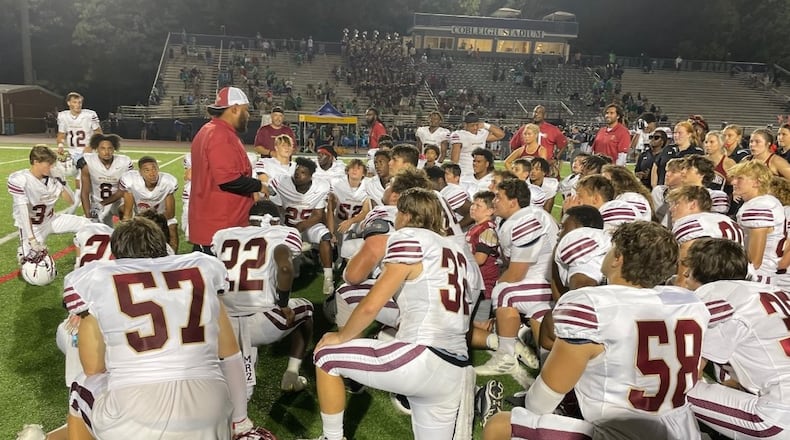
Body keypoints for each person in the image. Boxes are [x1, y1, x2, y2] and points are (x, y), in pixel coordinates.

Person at [484, 222, 709, 440]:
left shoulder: (594, 305)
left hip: (623, 432)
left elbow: (541, 401)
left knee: (501, 425)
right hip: (682, 429)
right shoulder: (689, 302)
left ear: (618, 258)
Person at [62, 217, 254, 439]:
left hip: (138, 414)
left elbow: (93, 368)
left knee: (81, 387)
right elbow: (231, 355)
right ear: (163, 249)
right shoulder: (203, 269)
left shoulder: (96, 278)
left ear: (114, 256)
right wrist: (240, 420)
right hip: (210, 409)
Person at [310, 188, 475, 440]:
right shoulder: (457, 251)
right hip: (456, 368)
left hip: (421, 355)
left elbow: (371, 304)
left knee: (326, 356)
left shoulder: (408, 236)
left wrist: (341, 337)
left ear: (406, 214)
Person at [683, 238, 790, 439]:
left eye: (688, 267)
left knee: (669, 387)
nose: (685, 274)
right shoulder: (776, 291)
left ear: (701, 271)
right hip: (779, 397)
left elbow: (690, 374)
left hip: (778, 416)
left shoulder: (715, 293)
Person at [212, 201, 314, 395]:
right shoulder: (282, 233)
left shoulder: (223, 235)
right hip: (261, 320)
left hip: (222, 323)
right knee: (307, 309)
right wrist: (283, 304)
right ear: (275, 221)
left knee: (236, 384)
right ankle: (291, 374)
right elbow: (285, 268)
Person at [475, 178, 555, 379]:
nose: (495, 201)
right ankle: (520, 335)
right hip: (538, 283)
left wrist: (492, 301)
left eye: (499, 197)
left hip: (544, 283)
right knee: (547, 361)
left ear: (514, 202)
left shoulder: (525, 219)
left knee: (504, 292)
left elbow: (517, 272)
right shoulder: (513, 219)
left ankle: (505, 357)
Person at [189, 86, 263, 254]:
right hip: (220, 227)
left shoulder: (211, 130)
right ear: (235, 109)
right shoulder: (220, 134)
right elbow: (228, 180)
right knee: (221, 279)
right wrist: (259, 186)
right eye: (246, 110)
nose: (248, 115)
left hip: (214, 223)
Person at [8, 145, 91, 267]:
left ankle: (81, 261)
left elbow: (72, 201)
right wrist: (32, 240)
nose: (51, 167)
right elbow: (23, 212)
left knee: (88, 225)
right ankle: (23, 251)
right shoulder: (20, 180)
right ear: (36, 162)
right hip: (32, 227)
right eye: (48, 164)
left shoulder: (53, 177)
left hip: (51, 219)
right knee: (36, 271)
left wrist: (62, 182)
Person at [269, 157, 334, 295]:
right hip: (285, 225)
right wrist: (286, 230)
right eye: (297, 170)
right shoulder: (282, 182)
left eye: (303, 172)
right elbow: (276, 209)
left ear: (311, 176)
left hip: (307, 225)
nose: (298, 174)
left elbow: (317, 215)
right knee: (293, 272)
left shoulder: (321, 186)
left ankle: (328, 277)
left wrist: (300, 227)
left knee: (325, 236)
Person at [667, 185, 744, 288]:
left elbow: (684, 280)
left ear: (693, 204)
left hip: (710, 286)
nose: (671, 209)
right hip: (740, 281)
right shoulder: (727, 220)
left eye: (676, 203)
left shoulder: (691, 224)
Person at [729, 160, 785, 285]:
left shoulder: (758, 206)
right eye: (734, 178)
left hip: (758, 277)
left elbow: (755, 261)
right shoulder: (767, 201)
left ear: (757, 182)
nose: (733, 182)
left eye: (740, 178)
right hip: (766, 274)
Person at [120, 156, 179, 251]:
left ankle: (172, 259)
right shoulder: (131, 181)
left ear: (158, 169)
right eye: (147, 170)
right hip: (140, 217)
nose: (152, 173)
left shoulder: (168, 182)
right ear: (140, 172)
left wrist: (155, 221)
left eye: (154, 169)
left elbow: (170, 214)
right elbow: (128, 212)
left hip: (162, 217)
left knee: (172, 226)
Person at [80, 133, 133, 226]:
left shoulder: (124, 162)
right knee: (100, 233)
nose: (106, 152)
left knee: (127, 209)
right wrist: (88, 216)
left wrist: (102, 203)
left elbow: (123, 191)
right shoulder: (88, 162)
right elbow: (84, 192)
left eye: (110, 148)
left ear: (114, 149)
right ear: (97, 149)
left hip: (117, 201)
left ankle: (127, 230)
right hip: (97, 204)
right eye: (103, 148)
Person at [56, 92, 102, 189]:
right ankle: (80, 198)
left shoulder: (89, 115)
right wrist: (60, 145)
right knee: (76, 176)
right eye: (75, 102)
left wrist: (91, 146)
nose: (78, 105)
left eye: (80, 102)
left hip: (87, 151)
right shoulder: (63, 116)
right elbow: (61, 133)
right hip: (72, 151)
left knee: (85, 175)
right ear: (69, 103)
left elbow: (98, 133)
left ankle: (86, 198)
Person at [466, 191, 499, 323]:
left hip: (484, 285)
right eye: (473, 204)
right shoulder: (476, 227)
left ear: (490, 211)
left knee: (479, 323)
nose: (472, 207)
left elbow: (480, 259)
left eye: (478, 206)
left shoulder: (487, 230)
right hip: (476, 282)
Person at [509, 105, 568, 176]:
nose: (536, 114)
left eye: (539, 112)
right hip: (526, 168)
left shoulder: (553, 130)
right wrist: (516, 161)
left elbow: (564, 144)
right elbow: (513, 145)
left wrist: (555, 158)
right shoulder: (524, 129)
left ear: (544, 115)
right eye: (535, 112)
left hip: (545, 167)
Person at [450, 112, 504, 178]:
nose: (475, 128)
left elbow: (501, 135)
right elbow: (454, 159)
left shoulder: (482, 133)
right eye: (472, 125)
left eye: (477, 125)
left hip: (481, 172)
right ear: (465, 125)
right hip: (465, 172)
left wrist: (485, 125)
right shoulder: (459, 135)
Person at [651, 121, 704, 187]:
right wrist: (654, 186)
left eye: (680, 133)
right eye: (675, 133)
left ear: (689, 134)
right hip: (663, 190)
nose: (676, 135)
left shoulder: (697, 152)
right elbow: (655, 166)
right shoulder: (668, 149)